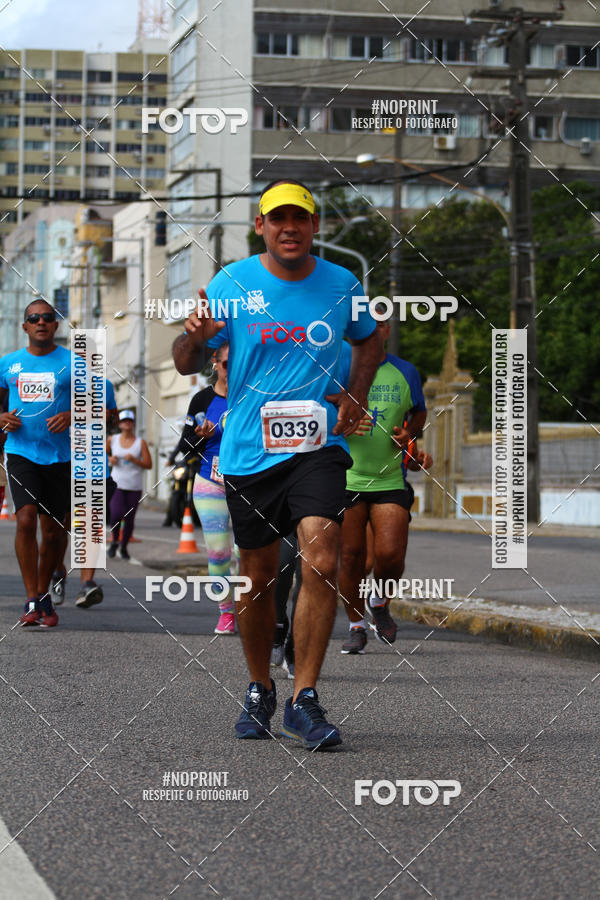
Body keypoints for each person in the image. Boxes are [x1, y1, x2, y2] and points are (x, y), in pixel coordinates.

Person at [173, 179, 380, 749]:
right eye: (277, 218)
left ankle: (304, 697)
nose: (290, 227)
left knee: (320, 556)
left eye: (301, 218)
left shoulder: (342, 283)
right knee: (258, 578)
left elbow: (371, 340)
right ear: (260, 227)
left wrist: (356, 394)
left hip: (315, 448)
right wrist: (197, 338)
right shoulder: (232, 282)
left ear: (315, 227)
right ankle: (260, 685)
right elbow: (185, 361)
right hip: (246, 451)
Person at [338, 316, 430, 654]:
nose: (375, 330)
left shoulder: (405, 372)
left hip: (390, 478)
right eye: (367, 324)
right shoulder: (339, 365)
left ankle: (379, 602)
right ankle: (356, 625)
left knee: (390, 555)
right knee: (351, 558)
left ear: (388, 330)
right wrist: (340, 424)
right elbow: (319, 410)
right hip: (345, 478)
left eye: (381, 324)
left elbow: (419, 413)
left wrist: (411, 434)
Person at [0, 300, 72, 627]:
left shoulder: (74, 364)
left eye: (47, 317)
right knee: (26, 520)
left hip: (61, 456)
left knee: (55, 532)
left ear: (56, 325)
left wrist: (73, 414)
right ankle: (31, 598)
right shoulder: (8, 364)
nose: (41, 322)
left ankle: (44, 593)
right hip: (21, 452)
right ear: (25, 326)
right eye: (33, 318)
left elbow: (104, 410)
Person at [181, 342, 238, 635]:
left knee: (247, 552)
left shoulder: (252, 395)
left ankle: (251, 607)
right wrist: (201, 438)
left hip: (247, 485)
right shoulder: (201, 400)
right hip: (209, 482)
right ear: (215, 362)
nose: (231, 369)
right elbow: (184, 444)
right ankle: (226, 612)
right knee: (218, 553)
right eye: (227, 363)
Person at [51, 379, 118, 608]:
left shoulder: (105, 385)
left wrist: (108, 416)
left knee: (91, 524)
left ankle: (87, 583)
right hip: (62, 463)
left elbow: (113, 416)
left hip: (95, 467)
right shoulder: (59, 381)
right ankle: (58, 571)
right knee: (62, 526)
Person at [107, 410, 152, 560]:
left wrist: (134, 460)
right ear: (119, 424)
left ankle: (124, 546)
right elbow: (102, 456)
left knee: (129, 519)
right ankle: (114, 540)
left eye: (129, 421)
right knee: (116, 514)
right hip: (117, 485)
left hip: (134, 486)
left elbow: (148, 464)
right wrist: (110, 460)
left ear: (133, 424)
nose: (127, 423)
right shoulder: (112, 439)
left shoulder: (140, 442)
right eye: (124, 420)